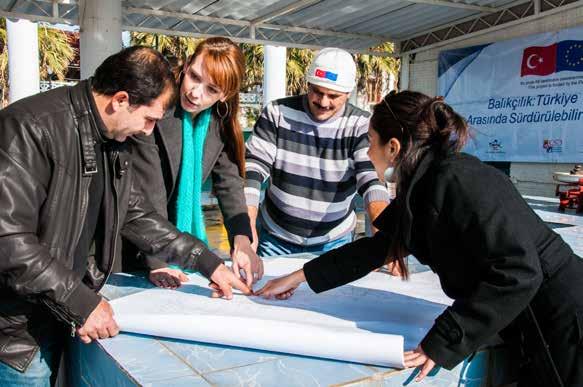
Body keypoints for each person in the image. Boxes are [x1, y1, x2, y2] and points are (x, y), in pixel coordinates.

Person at [256, 90, 583, 386]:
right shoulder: (428, 184)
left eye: (371, 141)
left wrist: (444, 339)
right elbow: (375, 249)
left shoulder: (458, 182)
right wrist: (298, 277)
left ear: (393, 147)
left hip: (563, 316)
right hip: (534, 315)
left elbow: (519, 271)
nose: (368, 151)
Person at [0, 46, 250, 386]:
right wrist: (81, 301)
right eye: (149, 120)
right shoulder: (28, 127)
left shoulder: (109, 135)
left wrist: (207, 262)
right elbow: (9, 242)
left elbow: (136, 213)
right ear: (120, 100)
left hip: (57, 311)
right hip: (18, 335)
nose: (148, 132)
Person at [126, 37, 264, 289]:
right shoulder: (155, 107)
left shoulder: (219, 121)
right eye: (194, 76)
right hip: (136, 244)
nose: (195, 92)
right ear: (187, 64)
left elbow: (229, 183)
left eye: (211, 89)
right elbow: (148, 191)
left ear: (226, 95)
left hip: (173, 248)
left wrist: (242, 240)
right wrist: (159, 262)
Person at [245, 48, 390, 257]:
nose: (323, 102)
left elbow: (372, 182)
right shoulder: (277, 113)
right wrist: (246, 229)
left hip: (334, 241)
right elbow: (253, 170)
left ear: (348, 94)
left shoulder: (362, 124)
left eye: (333, 96)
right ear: (308, 85)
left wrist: (384, 241)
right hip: (276, 238)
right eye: (317, 92)